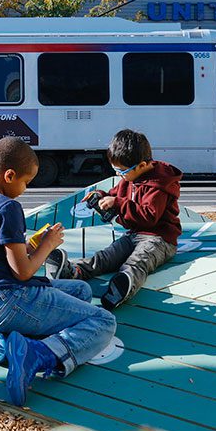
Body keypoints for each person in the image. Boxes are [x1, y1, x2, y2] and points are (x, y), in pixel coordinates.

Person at [0, 136, 117, 406]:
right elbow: (23, 272)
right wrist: (48, 246)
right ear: (9, 175)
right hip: (7, 299)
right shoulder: (7, 207)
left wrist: (31, 245)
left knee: (81, 290)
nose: (25, 189)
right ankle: (36, 354)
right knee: (104, 322)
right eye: (25, 182)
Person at [48, 129, 182, 310]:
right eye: (115, 170)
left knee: (139, 260)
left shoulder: (159, 184)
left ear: (142, 165)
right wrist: (100, 196)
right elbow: (115, 194)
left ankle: (123, 285)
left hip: (159, 239)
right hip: (133, 234)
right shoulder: (130, 177)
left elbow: (149, 216)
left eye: (121, 170)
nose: (119, 174)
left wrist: (118, 203)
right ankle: (74, 271)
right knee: (107, 256)